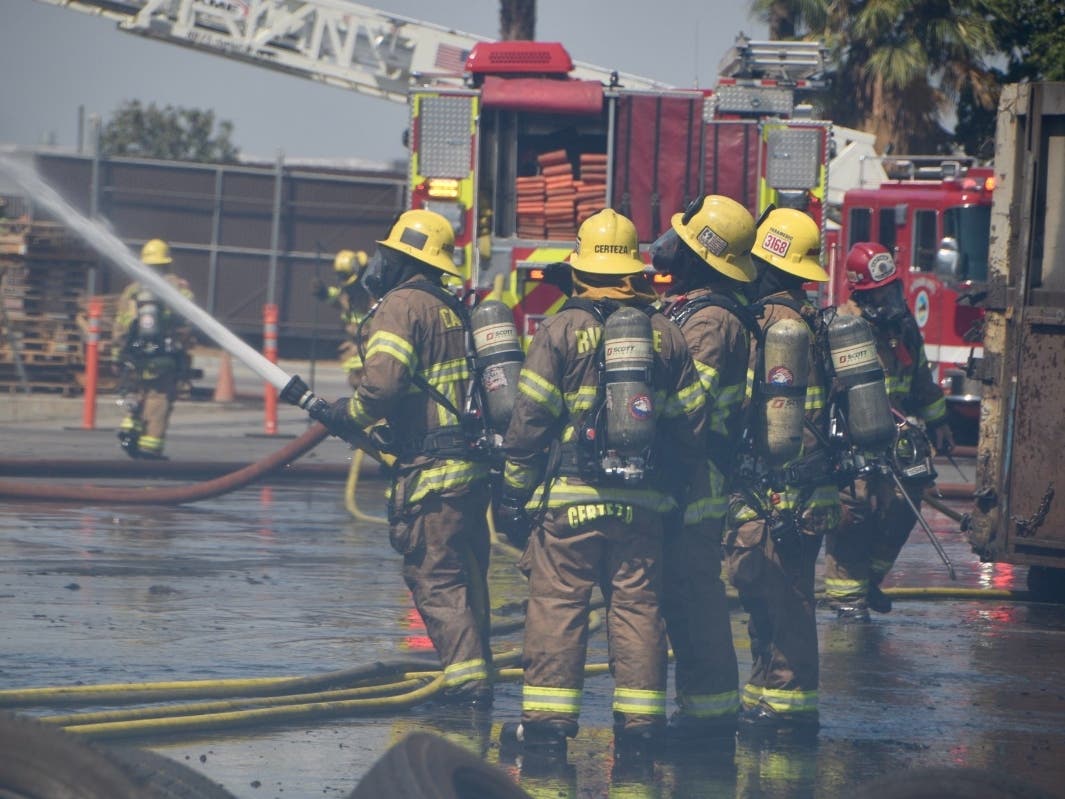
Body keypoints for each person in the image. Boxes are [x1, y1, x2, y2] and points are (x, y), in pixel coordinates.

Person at [495, 209, 707, 760]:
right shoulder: (666, 334)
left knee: (557, 606)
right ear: (634, 270)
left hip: (570, 501)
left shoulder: (560, 329)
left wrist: (514, 491)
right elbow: (690, 425)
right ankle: (640, 729)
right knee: (638, 609)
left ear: (581, 267)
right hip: (644, 501)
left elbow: (529, 420)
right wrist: (678, 492)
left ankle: (546, 730)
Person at [314, 210, 495, 707]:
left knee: (435, 577)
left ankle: (467, 687)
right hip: (469, 467)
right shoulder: (451, 306)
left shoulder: (401, 304)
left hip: (433, 473)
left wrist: (348, 415)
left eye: (389, 255)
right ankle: (478, 672)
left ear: (404, 260)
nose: (380, 263)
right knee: (468, 576)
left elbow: (383, 385)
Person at [724, 207, 840, 738]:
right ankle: (764, 697)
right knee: (772, 596)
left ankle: (790, 711)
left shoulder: (768, 326)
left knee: (784, 599)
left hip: (776, 489)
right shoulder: (815, 321)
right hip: (812, 486)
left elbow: (744, 404)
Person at [651, 195, 758, 740]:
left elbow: (691, 408)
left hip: (697, 478)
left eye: (683, 243)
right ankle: (702, 711)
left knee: (693, 593)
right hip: (687, 473)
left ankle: (709, 720)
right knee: (681, 593)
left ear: (700, 256)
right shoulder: (693, 310)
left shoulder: (710, 322)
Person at [823, 242, 953, 621]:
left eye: (892, 288)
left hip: (897, 443)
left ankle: (869, 581)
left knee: (902, 508)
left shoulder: (903, 327)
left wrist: (939, 422)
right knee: (855, 515)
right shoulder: (841, 330)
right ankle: (848, 601)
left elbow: (921, 379)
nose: (889, 298)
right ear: (861, 292)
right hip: (852, 442)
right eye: (879, 292)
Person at [113, 238, 195, 460]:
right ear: (167, 262)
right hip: (164, 358)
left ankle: (130, 427)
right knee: (158, 399)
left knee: (138, 393)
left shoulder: (132, 290)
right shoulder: (178, 288)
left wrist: (118, 356)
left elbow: (120, 327)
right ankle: (150, 448)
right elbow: (188, 323)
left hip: (135, 356)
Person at [313, 249, 371, 387]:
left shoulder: (370, 293)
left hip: (368, 347)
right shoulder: (349, 291)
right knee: (355, 381)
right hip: (355, 346)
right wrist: (324, 293)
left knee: (363, 384)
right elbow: (339, 298)